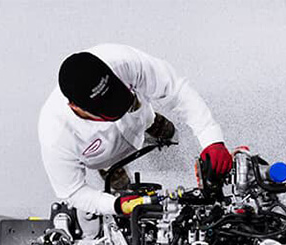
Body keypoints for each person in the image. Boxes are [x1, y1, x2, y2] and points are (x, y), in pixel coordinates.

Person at [38, 43, 233, 218]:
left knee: (171, 133)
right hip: (106, 160)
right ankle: (117, 181)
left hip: (143, 120)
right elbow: (74, 192)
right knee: (124, 194)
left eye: (117, 96)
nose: (118, 110)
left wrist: (211, 139)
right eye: (107, 109)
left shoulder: (123, 60)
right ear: (75, 107)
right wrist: (115, 205)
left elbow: (176, 90)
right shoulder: (55, 134)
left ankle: (159, 131)